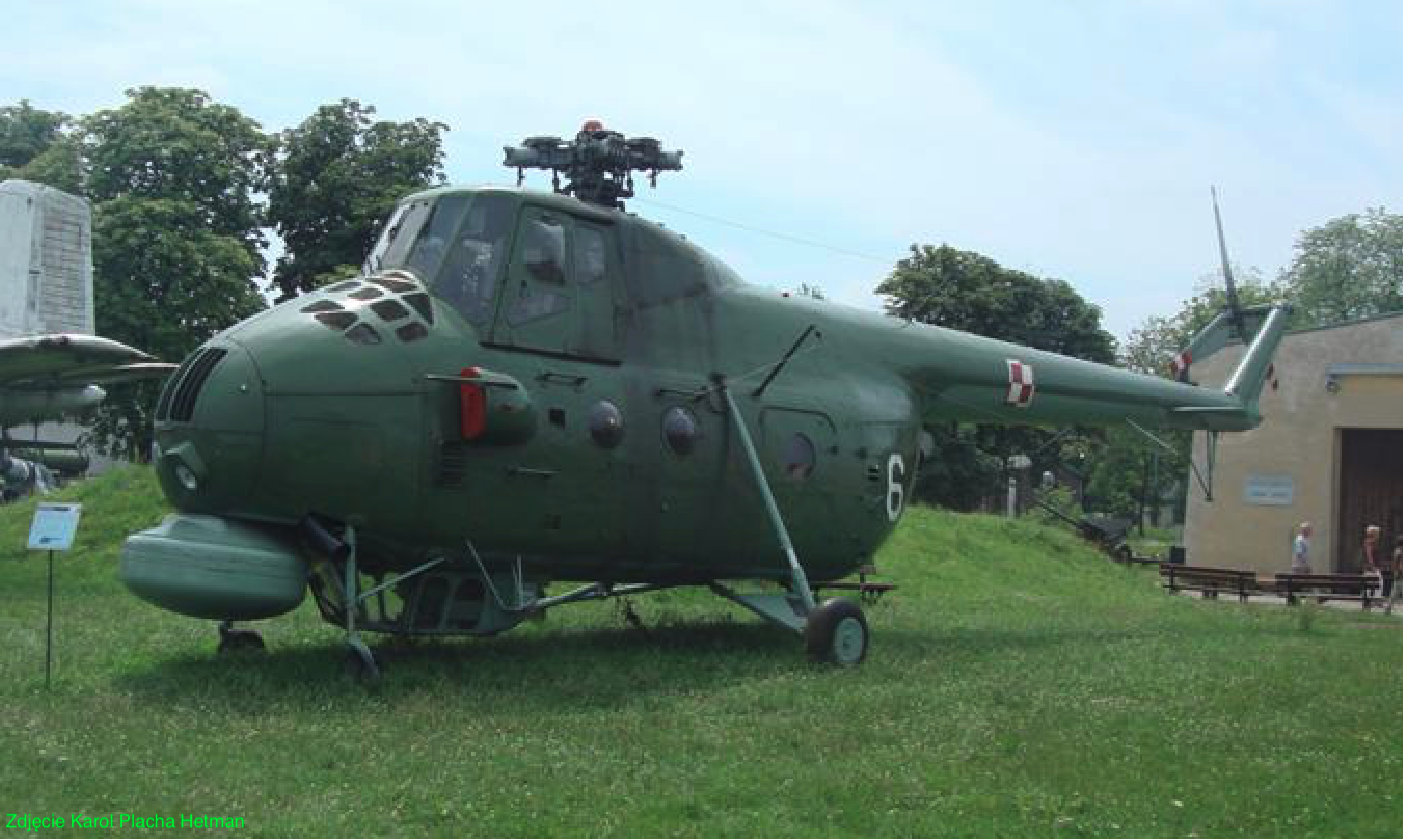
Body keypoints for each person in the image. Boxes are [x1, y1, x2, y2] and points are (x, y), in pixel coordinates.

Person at [1363, 525, 1383, 596]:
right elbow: (1369, 556)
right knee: (1379, 584)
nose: (1378, 534)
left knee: (1369, 585)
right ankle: (1376, 600)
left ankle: (1368, 601)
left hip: (1368, 568)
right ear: (1373, 533)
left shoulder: (1368, 542)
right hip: (1371, 568)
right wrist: (1373, 567)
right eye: (1377, 532)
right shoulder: (1370, 543)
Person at [1387, 536, 1403, 615]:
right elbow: (1398, 564)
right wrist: (1397, 571)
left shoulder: (1397, 551)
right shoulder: (1399, 552)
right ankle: (1388, 608)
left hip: (1398, 574)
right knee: (1394, 592)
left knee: (1394, 593)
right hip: (1400, 574)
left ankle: (1388, 608)